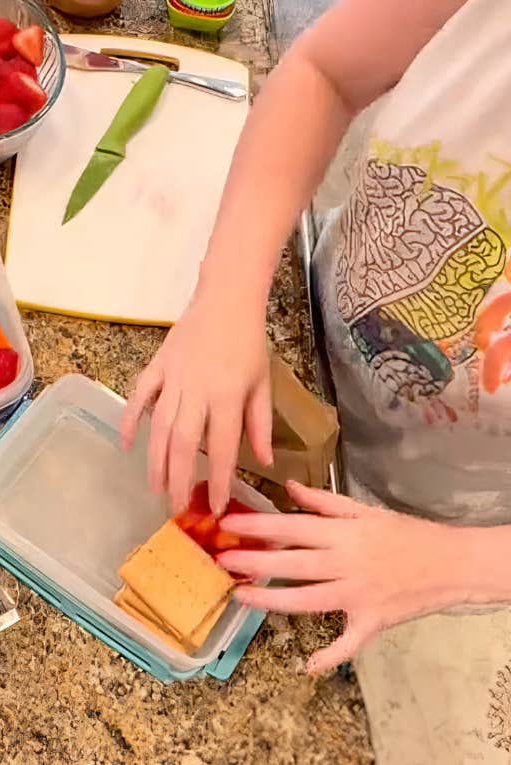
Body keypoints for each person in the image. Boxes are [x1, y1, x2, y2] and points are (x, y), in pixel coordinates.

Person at [120, 0, 511, 760]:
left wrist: (455, 564)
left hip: (457, 513)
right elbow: (324, 72)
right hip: (318, 338)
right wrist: (229, 293)